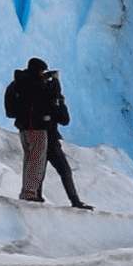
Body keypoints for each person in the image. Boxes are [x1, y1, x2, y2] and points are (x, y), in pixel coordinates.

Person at [3, 55, 59, 202]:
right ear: (39, 71)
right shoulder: (36, 83)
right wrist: (56, 81)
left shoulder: (16, 83)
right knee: (36, 160)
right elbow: (52, 95)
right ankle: (29, 193)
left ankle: (26, 191)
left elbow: (9, 110)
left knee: (29, 159)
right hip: (37, 127)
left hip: (23, 128)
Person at [42, 72, 93, 210]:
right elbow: (65, 120)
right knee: (64, 170)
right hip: (50, 140)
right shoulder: (51, 100)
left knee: (39, 169)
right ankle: (75, 201)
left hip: (41, 137)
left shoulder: (41, 96)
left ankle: (34, 195)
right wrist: (61, 103)